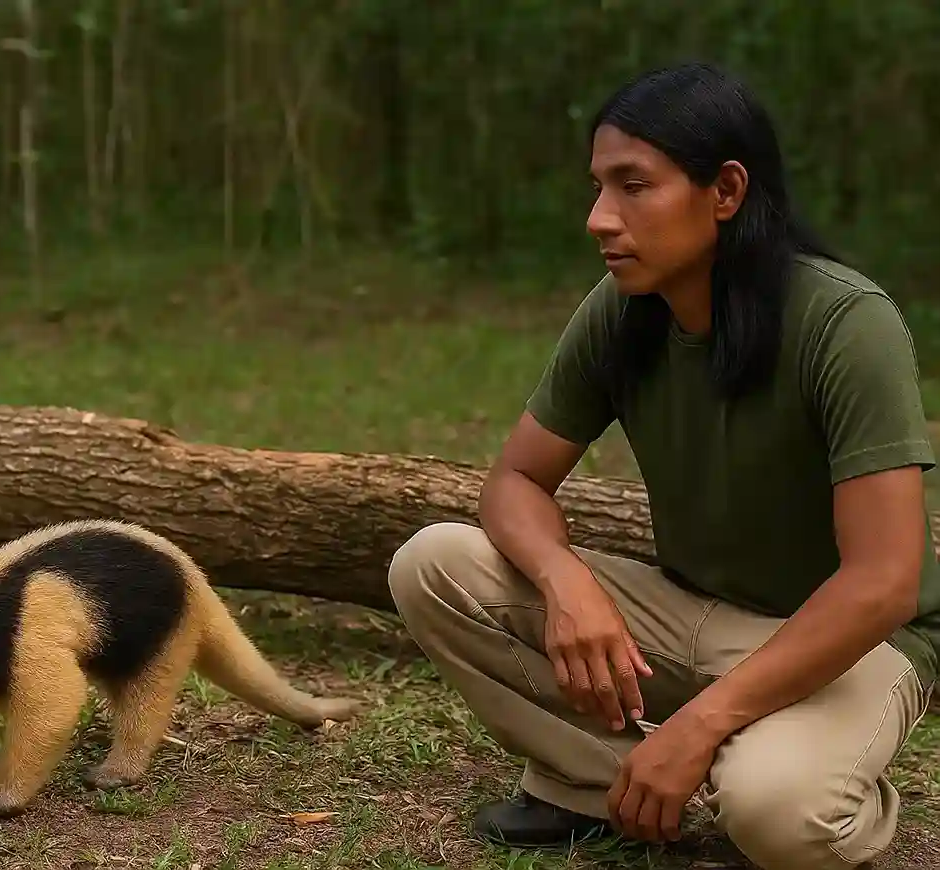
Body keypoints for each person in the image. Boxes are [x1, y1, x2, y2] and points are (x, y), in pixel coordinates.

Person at [386, 61, 939, 870]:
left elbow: (881, 583)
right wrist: (565, 581)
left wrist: (700, 723)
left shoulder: (844, 323)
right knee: (434, 563)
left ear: (724, 191)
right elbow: (513, 483)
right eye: (598, 186)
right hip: (689, 614)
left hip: (851, 644)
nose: (597, 219)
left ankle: (741, 774)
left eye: (632, 186)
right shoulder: (621, 311)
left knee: (781, 818)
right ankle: (600, 785)